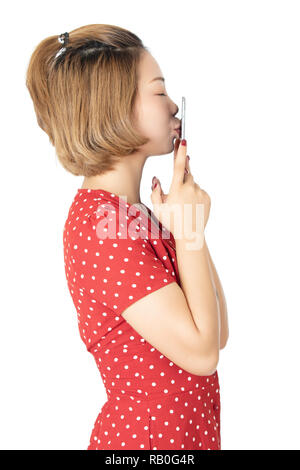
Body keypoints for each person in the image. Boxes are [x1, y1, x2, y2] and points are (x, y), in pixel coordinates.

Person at [26, 23, 229, 450]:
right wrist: (188, 230)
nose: (174, 105)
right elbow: (201, 352)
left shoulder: (136, 216)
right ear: (115, 107)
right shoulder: (100, 225)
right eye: (159, 91)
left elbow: (217, 332)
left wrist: (187, 227)